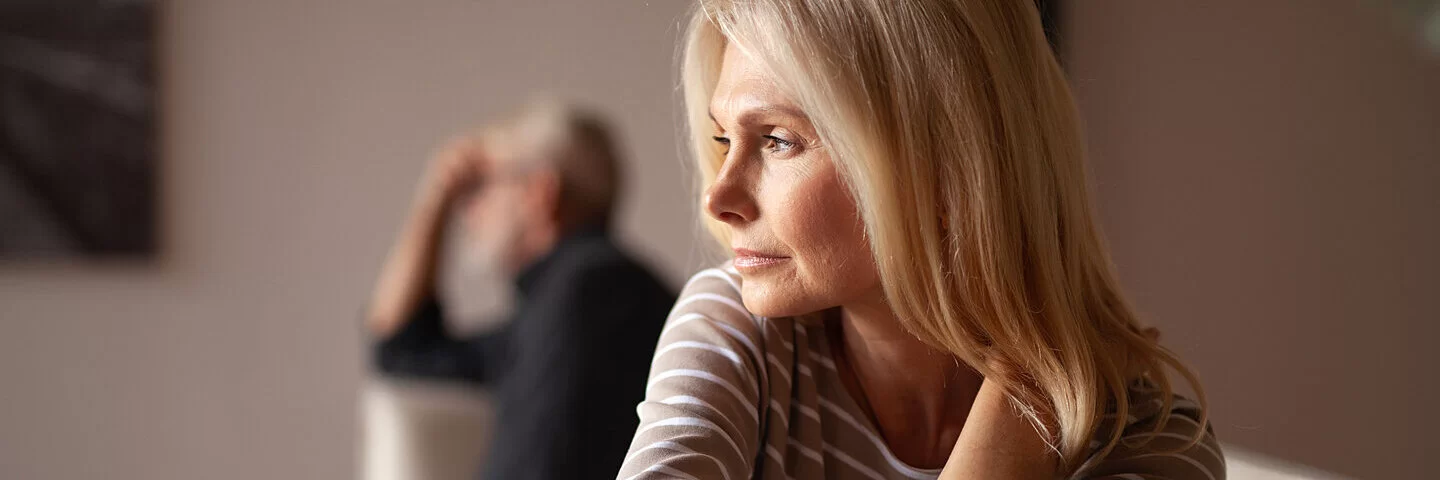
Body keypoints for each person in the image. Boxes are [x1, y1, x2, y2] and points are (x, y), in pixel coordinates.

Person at [619, 1, 1223, 480]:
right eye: (725, 139)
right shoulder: (741, 335)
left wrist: (1031, 401)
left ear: (945, 167)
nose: (717, 198)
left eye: (779, 140)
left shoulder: (1149, 442)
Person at [365, 100, 675, 479]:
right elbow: (400, 347)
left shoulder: (590, 297)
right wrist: (436, 196)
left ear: (540, 193)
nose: (469, 209)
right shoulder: (569, 298)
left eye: (480, 186)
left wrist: (438, 196)